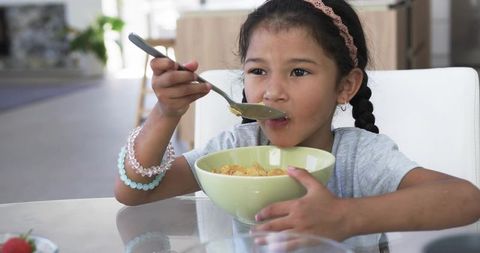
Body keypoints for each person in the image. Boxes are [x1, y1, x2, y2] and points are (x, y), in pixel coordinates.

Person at [115, 0, 480, 246]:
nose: (272, 92)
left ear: (345, 86)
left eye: (299, 71)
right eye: (257, 71)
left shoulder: (357, 157)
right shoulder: (235, 151)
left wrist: (345, 217)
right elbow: (136, 191)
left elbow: (466, 199)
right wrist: (166, 113)